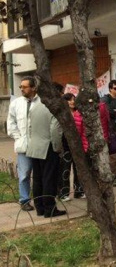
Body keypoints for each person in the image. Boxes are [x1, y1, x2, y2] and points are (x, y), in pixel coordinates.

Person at [26, 82, 65, 218]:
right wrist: (58, 148)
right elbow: (55, 130)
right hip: (48, 146)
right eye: (61, 93)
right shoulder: (53, 107)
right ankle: (50, 209)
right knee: (49, 178)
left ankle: (40, 208)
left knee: (37, 179)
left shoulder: (35, 105)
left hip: (34, 147)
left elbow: (29, 127)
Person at [6, 76, 37, 211]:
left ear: (33, 88)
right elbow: (11, 122)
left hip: (39, 145)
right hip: (23, 145)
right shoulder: (16, 103)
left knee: (40, 174)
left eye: (24, 87)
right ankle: (24, 200)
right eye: (20, 87)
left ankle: (42, 198)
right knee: (24, 174)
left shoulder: (41, 102)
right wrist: (17, 137)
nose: (21, 89)